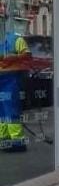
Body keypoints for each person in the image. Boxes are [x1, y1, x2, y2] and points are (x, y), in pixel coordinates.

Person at [0, 13, 31, 152]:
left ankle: (17, 141)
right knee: (2, 111)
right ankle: (4, 138)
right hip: (3, 79)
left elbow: (27, 55)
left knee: (10, 109)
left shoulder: (15, 39)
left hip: (10, 78)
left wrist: (14, 58)